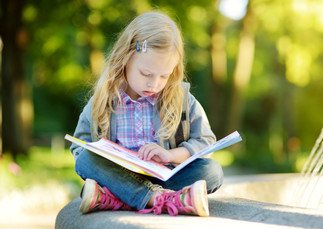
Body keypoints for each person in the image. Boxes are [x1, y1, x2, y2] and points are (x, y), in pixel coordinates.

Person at [70, 11, 224, 217]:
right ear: (125, 58)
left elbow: (205, 141)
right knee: (85, 161)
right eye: (146, 74)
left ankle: (118, 199)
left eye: (164, 76)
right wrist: (106, 158)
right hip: (119, 177)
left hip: (166, 177)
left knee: (212, 171)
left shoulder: (182, 98)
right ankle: (161, 199)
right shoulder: (104, 99)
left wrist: (170, 155)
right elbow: (80, 145)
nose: (154, 84)